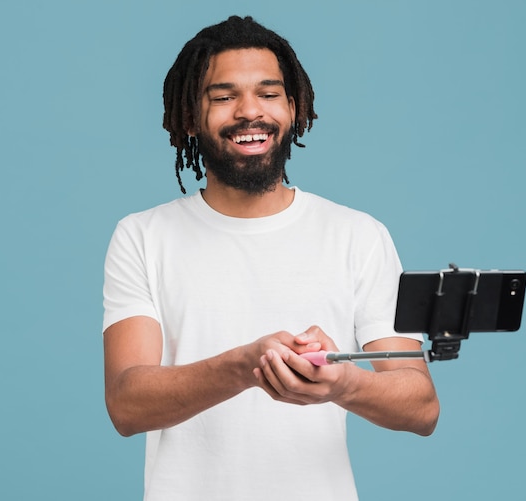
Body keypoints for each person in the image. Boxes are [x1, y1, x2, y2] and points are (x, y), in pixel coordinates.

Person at [103, 15, 439, 501]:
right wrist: (245, 366)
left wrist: (343, 384)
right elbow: (126, 404)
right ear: (190, 118)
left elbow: (422, 406)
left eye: (268, 93)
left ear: (293, 108)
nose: (249, 112)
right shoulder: (141, 236)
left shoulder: (358, 235)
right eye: (223, 96)